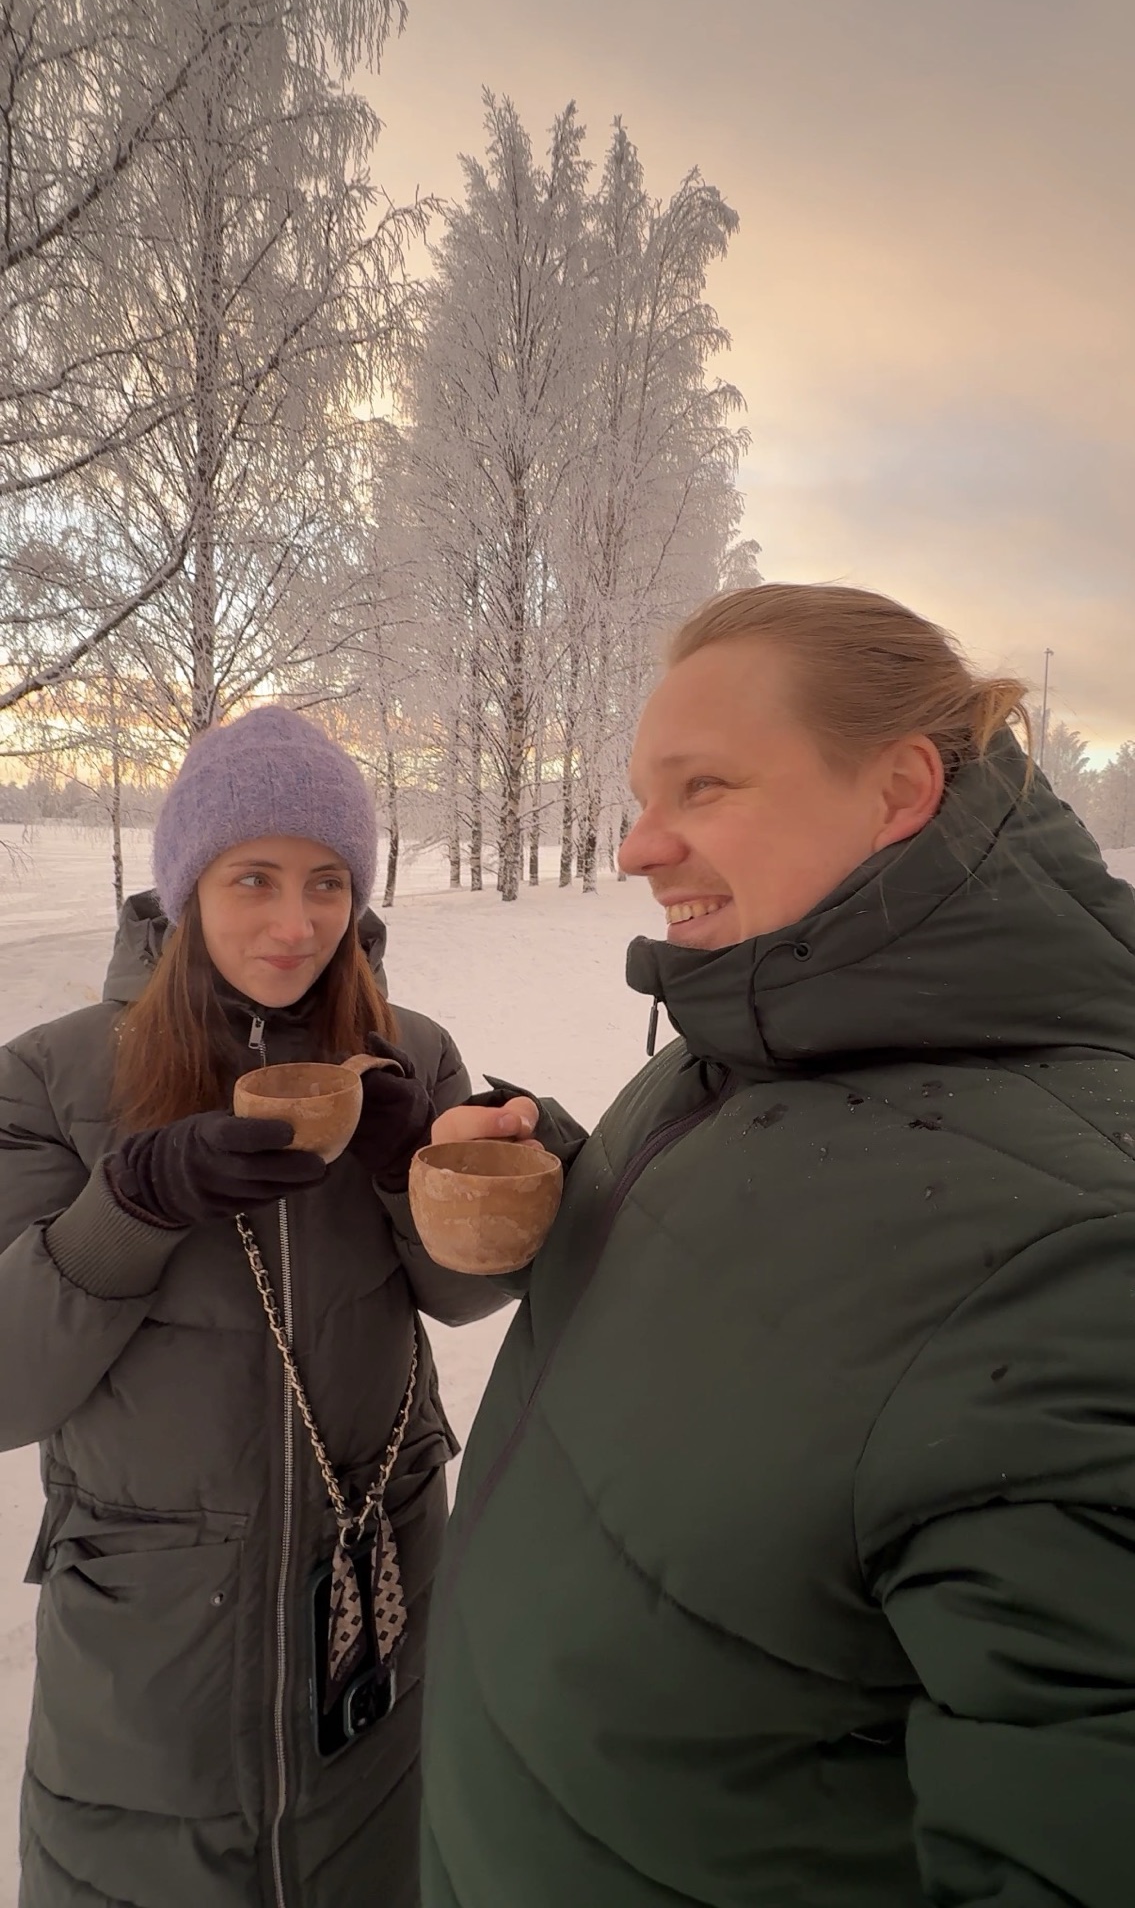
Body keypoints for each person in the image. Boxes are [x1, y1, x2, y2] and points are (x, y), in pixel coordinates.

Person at [421, 584, 1135, 1908]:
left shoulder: (1071, 1258)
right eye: (642, 794)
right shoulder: (752, 1030)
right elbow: (763, 1267)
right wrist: (572, 1177)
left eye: (700, 788)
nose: (637, 849)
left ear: (896, 790)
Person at [0, 706, 518, 1908]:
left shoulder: (411, 1051)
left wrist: (420, 1175)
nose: (298, 924)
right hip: (155, 1649)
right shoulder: (52, 1075)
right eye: (254, 878)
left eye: (328, 881)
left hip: (382, 1607)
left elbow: (459, 1295)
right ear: (185, 886)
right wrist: (130, 1200)